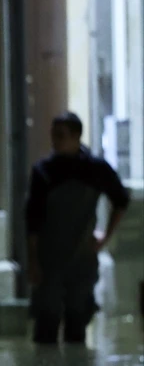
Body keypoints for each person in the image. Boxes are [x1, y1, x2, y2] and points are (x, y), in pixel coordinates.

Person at [25, 112, 132, 345]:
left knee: (77, 325)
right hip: (49, 259)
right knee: (46, 328)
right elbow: (32, 220)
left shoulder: (95, 169)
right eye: (54, 135)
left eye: (61, 136)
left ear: (76, 137)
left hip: (81, 259)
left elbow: (121, 200)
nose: (55, 141)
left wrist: (105, 236)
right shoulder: (43, 171)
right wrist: (33, 261)